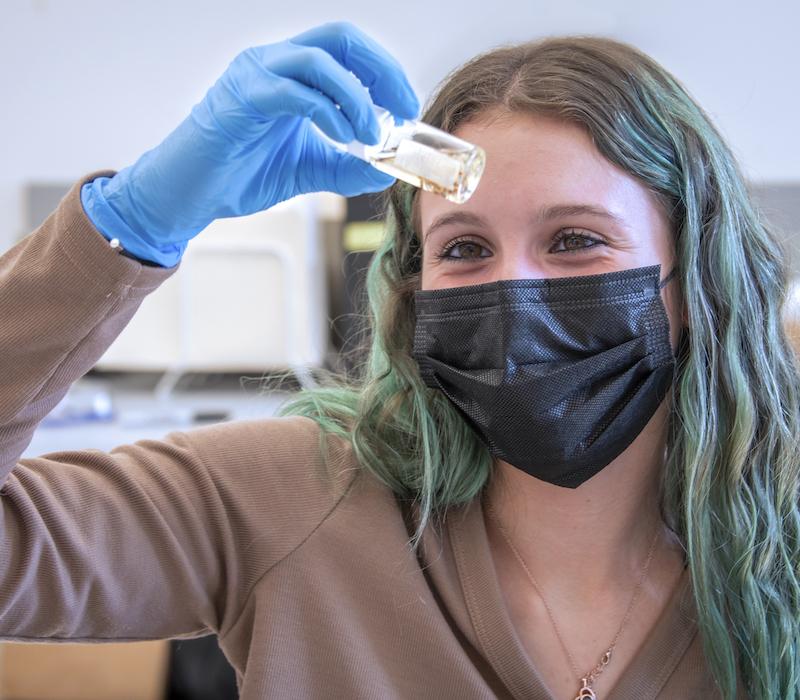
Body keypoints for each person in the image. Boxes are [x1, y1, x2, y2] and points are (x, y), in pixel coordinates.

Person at [0, 20, 796, 700]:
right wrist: (129, 224)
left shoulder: (779, 555)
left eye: (576, 240)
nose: (513, 288)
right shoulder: (290, 500)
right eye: (466, 248)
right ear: (414, 289)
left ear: (695, 279)